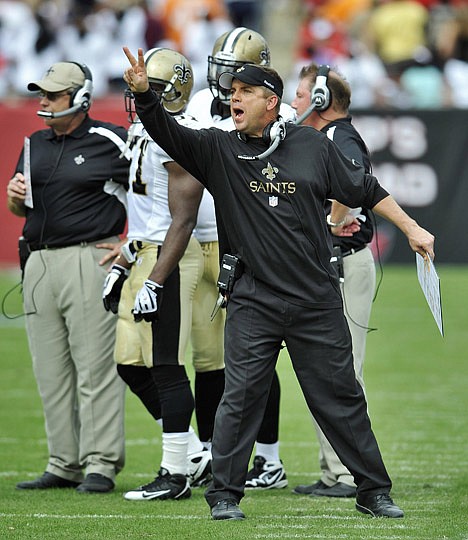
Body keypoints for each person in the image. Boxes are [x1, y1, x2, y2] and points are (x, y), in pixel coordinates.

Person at [122, 47, 435, 521]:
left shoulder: (311, 146)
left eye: (246, 92)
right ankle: (224, 496)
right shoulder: (218, 148)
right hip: (252, 298)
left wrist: (411, 228)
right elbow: (169, 132)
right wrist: (145, 96)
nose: (234, 99)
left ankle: (373, 490)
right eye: (232, 92)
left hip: (315, 299)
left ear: (272, 100)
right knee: (241, 397)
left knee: (341, 398)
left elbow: (364, 189)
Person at [6, 61, 129, 493]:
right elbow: (22, 209)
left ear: (80, 97)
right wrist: (13, 198)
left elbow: (155, 189)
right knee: (50, 371)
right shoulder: (33, 142)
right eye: (42, 93)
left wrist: (130, 246)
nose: (44, 101)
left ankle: (101, 463)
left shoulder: (111, 140)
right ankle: (63, 461)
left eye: (54, 94)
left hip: (88, 258)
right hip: (38, 262)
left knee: (95, 366)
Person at [186, 25, 295, 490]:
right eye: (222, 73)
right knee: (210, 360)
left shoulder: (281, 116)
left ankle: (268, 458)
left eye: (238, 78)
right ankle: (211, 451)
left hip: (248, 246)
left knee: (256, 357)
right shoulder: (195, 107)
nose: (227, 86)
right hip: (197, 240)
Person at [102, 47, 211, 501]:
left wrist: (155, 278)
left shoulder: (176, 136)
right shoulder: (143, 132)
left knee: (167, 365)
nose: (138, 95)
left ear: (176, 92)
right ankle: (190, 455)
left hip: (170, 258)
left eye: (153, 89)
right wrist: (127, 262)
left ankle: (175, 472)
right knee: (129, 364)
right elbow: (145, 215)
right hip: (145, 253)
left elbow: (182, 221)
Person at [290, 63, 376, 499]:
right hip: (335, 265)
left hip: (345, 262)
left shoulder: (338, 137)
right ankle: (333, 471)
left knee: (343, 371)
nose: (294, 103)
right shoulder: (328, 136)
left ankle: (346, 474)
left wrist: (326, 223)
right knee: (327, 371)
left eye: (301, 96)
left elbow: (354, 186)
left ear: (321, 100)